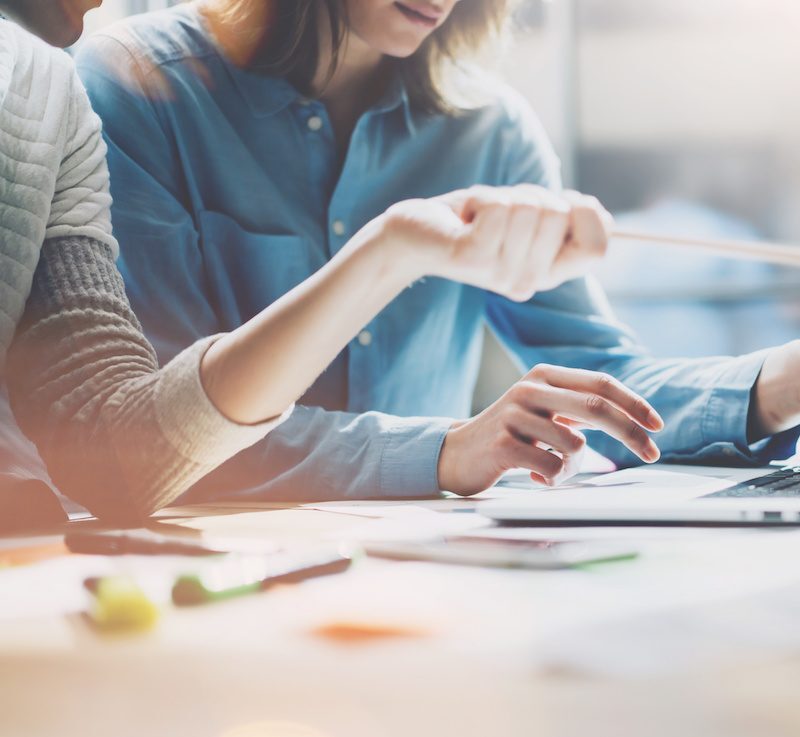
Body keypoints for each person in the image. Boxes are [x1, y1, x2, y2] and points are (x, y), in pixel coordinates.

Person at [76, 0, 800, 506]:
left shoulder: (488, 131)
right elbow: (156, 434)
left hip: (411, 580)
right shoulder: (131, 92)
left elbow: (600, 377)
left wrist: (792, 381)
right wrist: (448, 449)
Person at [0, 0, 649, 526]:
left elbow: (117, 436)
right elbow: (132, 450)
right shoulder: (125, 84)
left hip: (421, 561)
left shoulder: (46, 90)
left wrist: (755, 391)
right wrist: (442, 448)